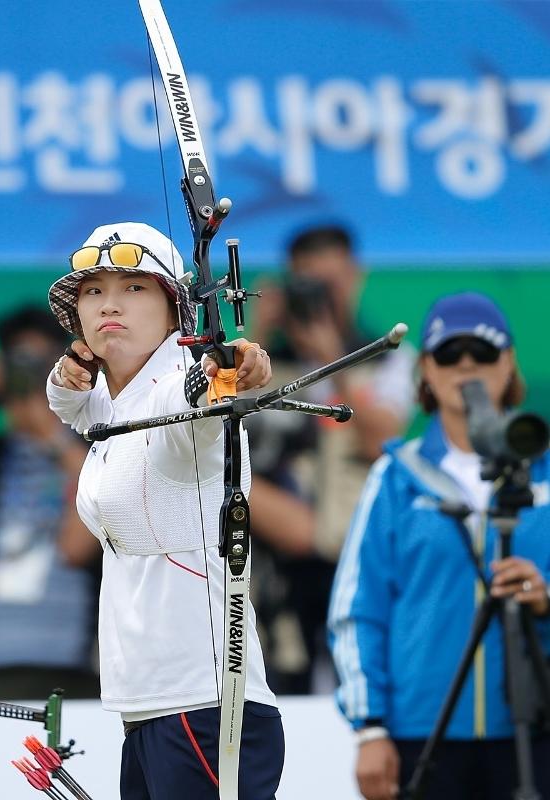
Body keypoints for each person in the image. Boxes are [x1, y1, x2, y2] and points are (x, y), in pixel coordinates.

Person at [46, 221, 284, 800]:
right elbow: (72, 402)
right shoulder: (115, 403)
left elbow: (200, 396)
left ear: (174, 306)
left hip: (206, 708)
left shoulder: (174, 390)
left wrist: (230, 367)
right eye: (94, 291)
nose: (110, 305)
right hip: (150, 706)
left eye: (134, 288)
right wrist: (72, 366)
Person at [328, 292, 550, 800]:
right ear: (425, 369)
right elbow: (357, 611)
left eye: (484, 352)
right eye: (449, 354)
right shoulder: (395, 476)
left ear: (510, 362)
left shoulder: (545, 470)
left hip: (535, 729)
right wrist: (371, 728)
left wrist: (544, 598)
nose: (466, 366)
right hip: (421, 736)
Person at [245, 225, 415, 694]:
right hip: (270, 565)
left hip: (351, 552)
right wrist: (257, 332)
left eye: (332, 285)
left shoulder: (389, 358)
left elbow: (383, 439)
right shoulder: (267, 363)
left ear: (356, 278)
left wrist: (332, 360)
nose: (322, 300)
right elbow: (224, 426)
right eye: (310, 287)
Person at [0, 306, 100, 701]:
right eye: (20, 365)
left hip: (76, 666)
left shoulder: (94, 446)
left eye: (42, 365)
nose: (31, 377)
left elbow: (99, 508)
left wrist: (51, 434)